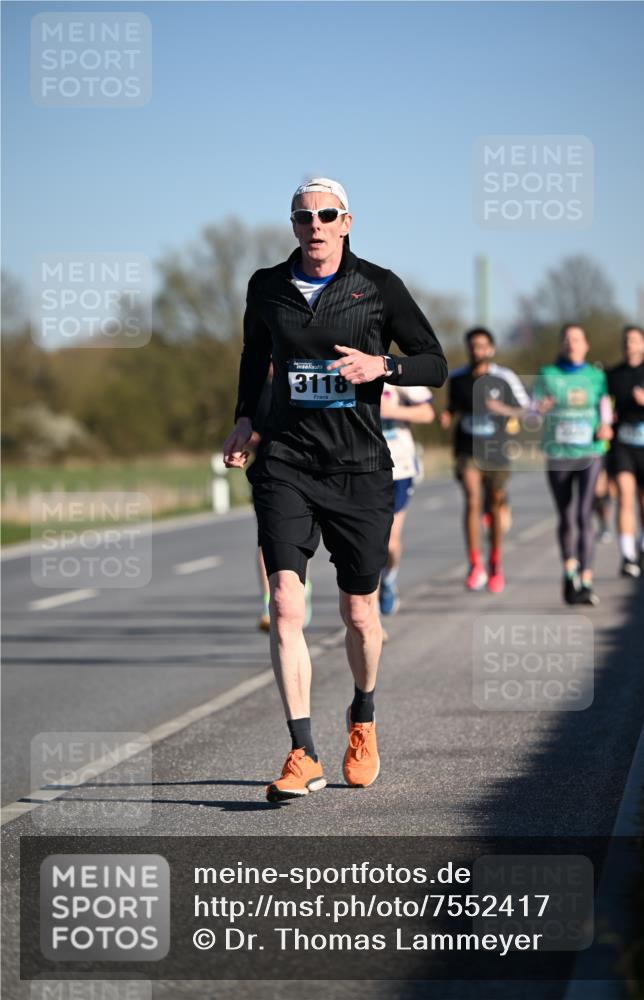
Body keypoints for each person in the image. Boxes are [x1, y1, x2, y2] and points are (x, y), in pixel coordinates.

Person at [223, 177, 447, 802]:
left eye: (326, 215)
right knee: (286, 605)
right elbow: (252, 356)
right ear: (292, 224)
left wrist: (384, 366)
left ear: (346, 221)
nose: (314, 225)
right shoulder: (266, 286)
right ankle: (301, 751)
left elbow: (436, 361)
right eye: (302, 216)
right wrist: (245, 418)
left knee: (359, 613)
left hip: (359, 468)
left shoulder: (377, 286)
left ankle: (363, 719)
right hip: (287, 463)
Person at [440, 327, 529, 593]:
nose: (476, 350)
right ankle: (474, 563)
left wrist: (501, 408)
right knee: (472, 499)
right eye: (472, 345)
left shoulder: (504, 377)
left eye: (482, 346)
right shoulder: (457, 378)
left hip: (496, 451)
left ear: (490, 349)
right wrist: (446, 415)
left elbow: (526, 409)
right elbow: (451, 406)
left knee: (494, 504)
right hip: (467, 449)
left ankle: (495, 561)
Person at [533, 324, 613, 605]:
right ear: (561, 344)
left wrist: (606, 425)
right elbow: (532, 414)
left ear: (586, 344)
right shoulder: (547, 374)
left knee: (584, 513)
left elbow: (604, 407)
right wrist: (538, 409)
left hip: (589, 451)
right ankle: (570, 572)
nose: (571, 343)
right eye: (566, 339)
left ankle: (587, 579)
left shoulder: (596, 376)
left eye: (577, 339)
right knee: (566, 515)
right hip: (558, 453)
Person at [250, 368, 312, 631]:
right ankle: (269, 601)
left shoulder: (306, 381)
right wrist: (247, 438)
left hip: (306, 471)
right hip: (268, 472)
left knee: (297, 541)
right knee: (268, 539)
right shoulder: (254, 388)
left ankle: (300, 586)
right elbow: (247, 427)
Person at [605, 325, 644, 576]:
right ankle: (628, 556)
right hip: (622, 444)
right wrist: (606, 420)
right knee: (625, 495)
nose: (630, 344)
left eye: (635, 340)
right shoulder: (613, 375)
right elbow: (602, 402)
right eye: (626, 341)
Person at [378, 383, 435, 614]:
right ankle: (370, 614)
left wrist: (390, 412)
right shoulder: (346, 373)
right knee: (368, 544)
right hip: (362, 469)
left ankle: (389, 579)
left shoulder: (396, 374)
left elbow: (427, 413)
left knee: (390, 544)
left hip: (399, 468)